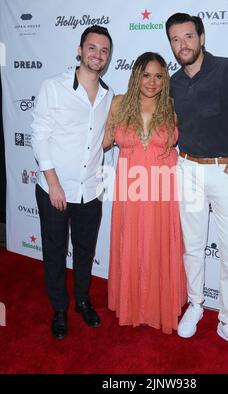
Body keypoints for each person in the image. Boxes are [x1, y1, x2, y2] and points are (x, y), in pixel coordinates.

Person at [166, 13, 228, 358]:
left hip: (225, 171)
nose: (183, 45)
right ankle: (195, 304)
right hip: (186, 168)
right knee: (192, 246)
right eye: (175, 40)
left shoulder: (227, 70)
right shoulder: (172, 83)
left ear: (201, 37)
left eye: (188, 36)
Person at [31, 25, 114, 339]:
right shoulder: (54, 86)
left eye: (104, 50)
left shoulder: (109, 95)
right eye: (92, 48)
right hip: (54, 188)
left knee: (84, 250)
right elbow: (39, 138)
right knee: (54, 251)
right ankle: (59, 308)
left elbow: (102, 140)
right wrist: (53, 183)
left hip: (90, 190)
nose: (98, 55)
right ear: (80, 50)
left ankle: (81, 300)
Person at [103, 52, 186, 334]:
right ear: (136, 75)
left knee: (159, 245)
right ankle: (133, 303)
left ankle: (159, 306)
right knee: (133, 242)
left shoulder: (171, 106)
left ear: (165, 79)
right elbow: (100, 142)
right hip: (130, 190)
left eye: (159, 76)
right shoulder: (118, 104)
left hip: (163, 191)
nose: (152, 82)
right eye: (146, 75)